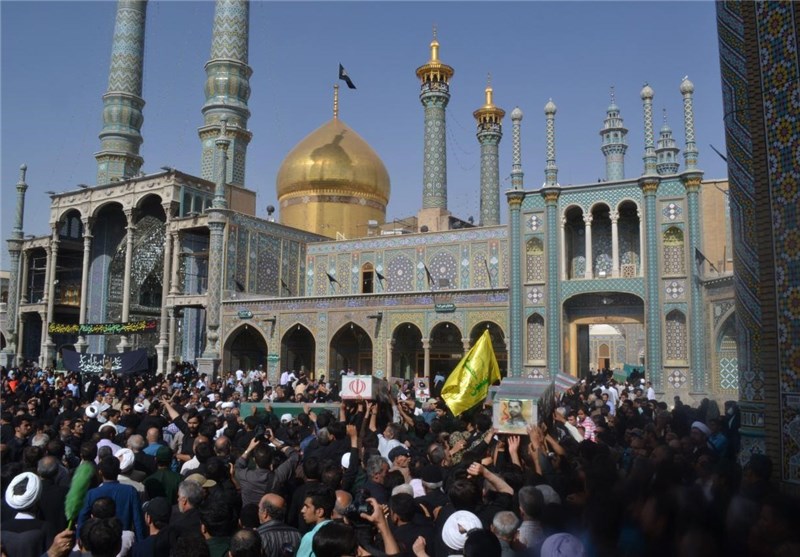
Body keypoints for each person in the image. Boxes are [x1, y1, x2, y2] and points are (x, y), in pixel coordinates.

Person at [77, 455, 146, 541]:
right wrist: (141, 543)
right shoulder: (130, 491)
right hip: (122, 541)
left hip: (98, 541)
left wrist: (80, 542)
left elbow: (82, 522)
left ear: (100, 472)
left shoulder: (92, 494)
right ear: (119, 471)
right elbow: (138, 521)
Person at [296, 485, 335, 557]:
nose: (302, 510)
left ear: (319, 512)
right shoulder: (341, 534)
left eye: (307, 507)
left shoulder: (310, 538)